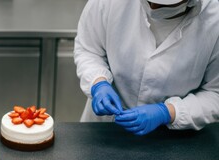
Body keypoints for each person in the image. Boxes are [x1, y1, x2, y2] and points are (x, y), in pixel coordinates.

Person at [74, 0, 219, 135]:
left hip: (173, 138)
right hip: (102, 129)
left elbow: (215, 93)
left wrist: (169, 112)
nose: (153, 8)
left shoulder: (214, 17)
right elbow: (89, 49)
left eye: (164, 5)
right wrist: (98, 82)